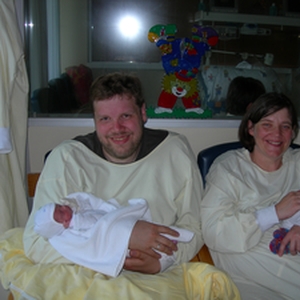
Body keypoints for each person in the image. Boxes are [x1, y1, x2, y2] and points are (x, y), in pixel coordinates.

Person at [0, 72, 240, 299]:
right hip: (77, 277)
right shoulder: (67, 158)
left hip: (156, 275)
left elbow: (194, 226)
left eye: (126, 116)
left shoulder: (175, 150)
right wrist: (123, 239)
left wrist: (162, 262)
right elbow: (36, 244)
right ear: (94, 121)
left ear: (143, 113)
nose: (117, 129)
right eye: (105, 119)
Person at [201, 93, 300, 299]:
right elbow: (213, 231)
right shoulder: (228, 169)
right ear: (251, 128)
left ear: (293, 132)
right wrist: (275, 212)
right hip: (251, 277)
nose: (277, 134)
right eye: (267, 124)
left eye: (285, 126)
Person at [33, 193, 194, 277]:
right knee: (156, 244)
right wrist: (125, 234)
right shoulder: (76, 225)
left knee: (162, 236)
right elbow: (96, 235)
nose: (64, 208)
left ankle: (178, 240)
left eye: (60, 206)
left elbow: (99, 211)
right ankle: (172, 245)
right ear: (62, 225)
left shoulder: (77, 210)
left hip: (123, 222)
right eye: (60, 214)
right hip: (115, 235)